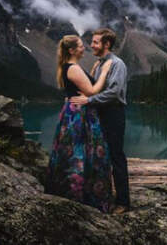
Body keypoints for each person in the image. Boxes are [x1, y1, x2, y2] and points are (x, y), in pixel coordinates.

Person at [45, 35, 113, 213]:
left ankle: (73, 194)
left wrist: (95, 68)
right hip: (79, 114)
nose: (85, 48)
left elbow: (84, 84)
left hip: (74, 112)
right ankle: (82, 197)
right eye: (81, 46)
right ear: (72, 50)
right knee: (81, 152)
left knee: (75, 151)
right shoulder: (73, 68)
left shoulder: (70, 67)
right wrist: (104, 72)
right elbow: (91, 91)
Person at [70, 28, 130, 214]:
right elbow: (94, 89)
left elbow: (114, 93)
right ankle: (103, 196)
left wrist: (89, 101)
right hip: (99, 115)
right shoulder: (99, 64)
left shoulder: (117, 64)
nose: (91, 45)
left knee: (116, 157)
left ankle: (123, 202)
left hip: (113, 114)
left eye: (95, 42)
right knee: (99, 157)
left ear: (106, 44)